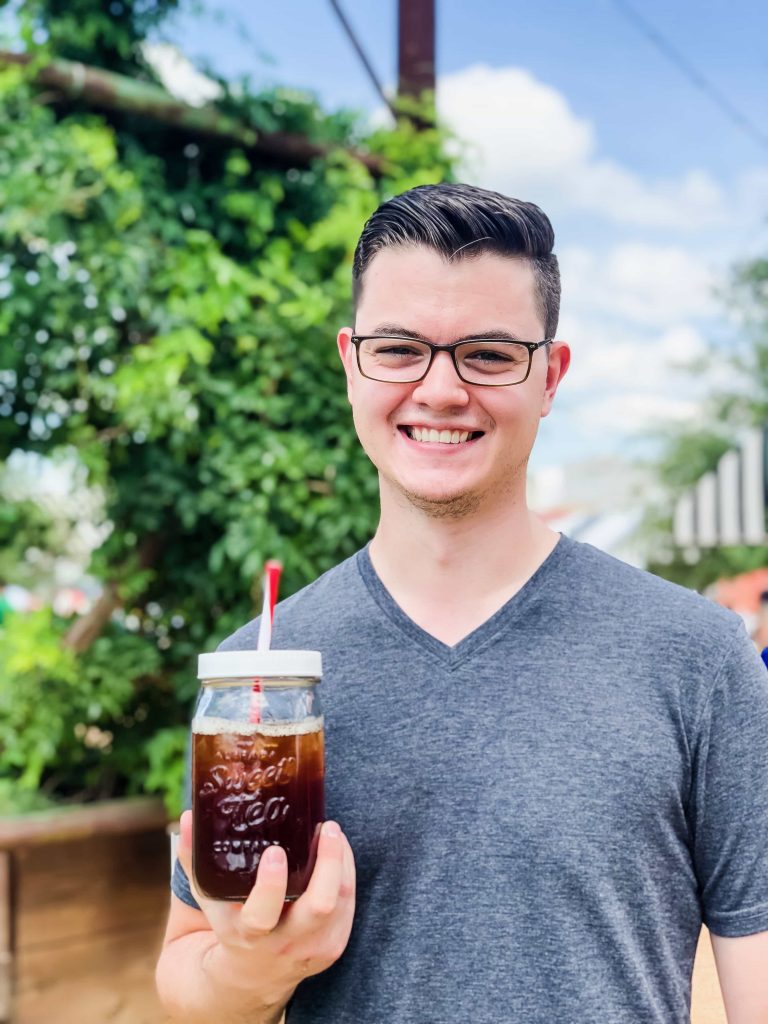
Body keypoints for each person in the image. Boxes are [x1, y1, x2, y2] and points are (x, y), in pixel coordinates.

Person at [156, 183, 768, 1023]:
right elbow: (185, 973)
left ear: (549, 376)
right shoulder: (258, 679)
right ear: (350, 363)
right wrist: (251, 973)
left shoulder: (698, 657)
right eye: (400, 348)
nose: (441, 391)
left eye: (486, 353)